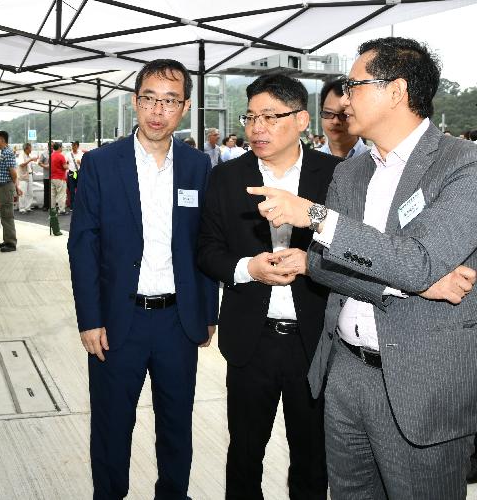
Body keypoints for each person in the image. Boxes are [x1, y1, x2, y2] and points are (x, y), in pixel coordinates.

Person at [246, 37, 477, 499]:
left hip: (419, 385)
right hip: (345, 371)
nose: (344, 98)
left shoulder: (462, 165)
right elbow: (326, 268)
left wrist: (314, 217)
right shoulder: (350, 172)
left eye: (355, 85)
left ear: (396, 91)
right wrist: (407, 286)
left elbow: (417, 261)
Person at [68, 58, 218, 500]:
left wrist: (207, 312)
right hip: (118, 321)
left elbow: (204, 244)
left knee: (177, 426)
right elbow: (83, 245)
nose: (157, 110)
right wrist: (89, 319)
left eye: (169, 101)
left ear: (185, 108)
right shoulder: (100, 163)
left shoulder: (197, 166)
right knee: (112, 427)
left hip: (177, 321)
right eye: (149, 99)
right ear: (135, 102)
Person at [197, 74, 340, 500]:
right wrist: (247, 268)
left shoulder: (337, 176)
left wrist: (313, 265)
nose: (257, 127)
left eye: (270, 116)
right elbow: (207, 250)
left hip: (314, 341)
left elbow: (356, 248)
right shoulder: (225, 177)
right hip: (251, 340)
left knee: (312, 457)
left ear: (300, 119)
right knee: (244, 453)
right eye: (251, 117)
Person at [317, 77, 369, 159]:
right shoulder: (307, 162)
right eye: (328, 113)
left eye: (344, 115)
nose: (335, 121)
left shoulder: (376, 164)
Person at [0, 131, 21, 252]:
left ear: (2, 140)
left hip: (5, 187)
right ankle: (7, 240)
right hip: (3, 187)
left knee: (7, 215)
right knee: (4, 214)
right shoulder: (5, 152)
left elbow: (13, 172)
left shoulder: (7, 153)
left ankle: (11, 243)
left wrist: (15, 187)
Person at [17, 142, 36, 213]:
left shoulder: (29, 156)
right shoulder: (21, 155)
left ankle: (28, 207)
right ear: (26, 149)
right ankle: (22, 208)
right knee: (23, 192)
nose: (31, 149)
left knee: (30, 192)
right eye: (30, 148)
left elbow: (30, 166)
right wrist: (30, 160)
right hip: (23, 176)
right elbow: (21, 164)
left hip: (30, 175)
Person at [49, 142, 69, 214]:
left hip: (52, 177)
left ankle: (52, 209)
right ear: (59, 147)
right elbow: (65, 167)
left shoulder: (51, 155)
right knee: (61, 194)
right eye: (62, 147)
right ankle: (61, 210)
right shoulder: (61, 156)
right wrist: (68, 165)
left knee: (53, 195)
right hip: (60, 177)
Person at [66, 141, 83, 211]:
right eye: (72, 146)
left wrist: (81, 162)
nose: (73, 147)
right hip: (71, 173)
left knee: (80, 189)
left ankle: (79, 205)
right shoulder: (68, 154)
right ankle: (72, 206)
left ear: (78, 146)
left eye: (75, 146)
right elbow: (65, 163)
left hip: (78, 173)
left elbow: (85, 163)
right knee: (72, 190)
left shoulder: (81, 154)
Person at [38, 146, 51, 210]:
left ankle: (53, 206)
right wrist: (45, 166)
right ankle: (46, 206)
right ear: (48, 146)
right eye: (50, 146)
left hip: (54, 176)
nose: (52, 147)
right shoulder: (44, 154)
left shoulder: (56, 153)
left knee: (54, 192)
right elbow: (39, 163)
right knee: (46, 191)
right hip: (46, 176)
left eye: (52, 146)